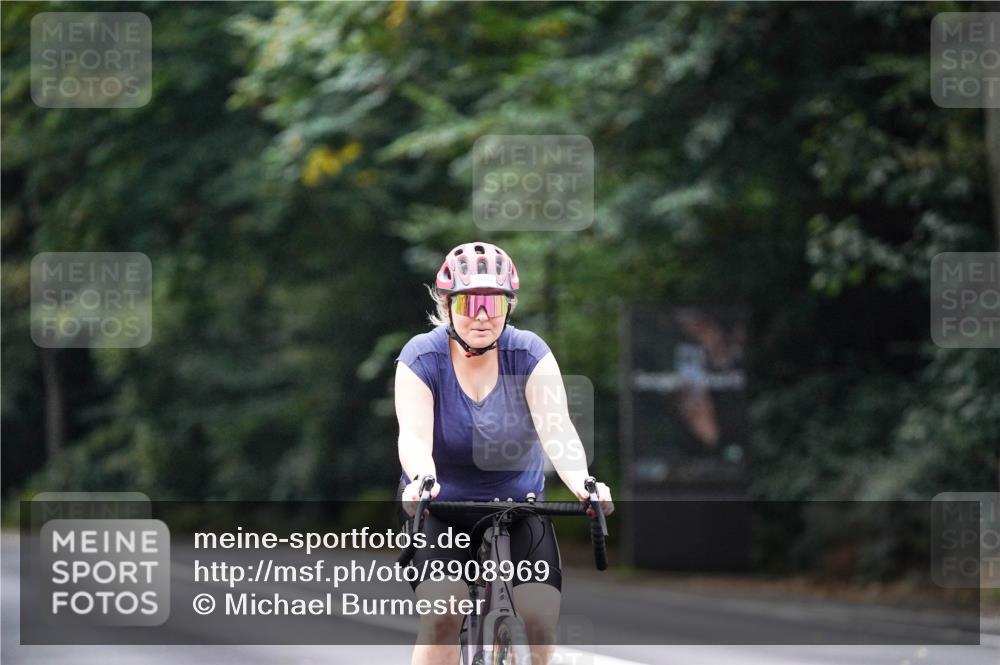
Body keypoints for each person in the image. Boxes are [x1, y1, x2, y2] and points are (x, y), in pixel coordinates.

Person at [395, 241, 613, 665]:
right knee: (442, 614)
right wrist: (422, 478)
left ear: (509, 307)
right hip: (441, 506)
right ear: (447, 305)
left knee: (537, 620)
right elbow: (414, 437)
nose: (481, 316)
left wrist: (584, 484)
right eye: (470, 302)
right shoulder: (421, 357)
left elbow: (557, 430)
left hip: (519, 507)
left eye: (494, 304)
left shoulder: (529, 353)